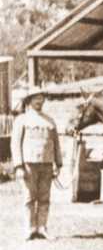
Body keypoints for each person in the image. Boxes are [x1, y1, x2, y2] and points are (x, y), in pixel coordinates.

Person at [11, 89, 63, 241]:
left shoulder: (50, 121)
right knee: (28, 197)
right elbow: (15, 144)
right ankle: (29, 228)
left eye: (41, 98)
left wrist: (58, 164)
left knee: (44, 198)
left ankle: (42, 227)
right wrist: (19, 166)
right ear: (29, 101)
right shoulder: (22, 120)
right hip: (29, 164)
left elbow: (56, 144)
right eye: (36, 98)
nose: (39, 101)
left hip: (47, 164)